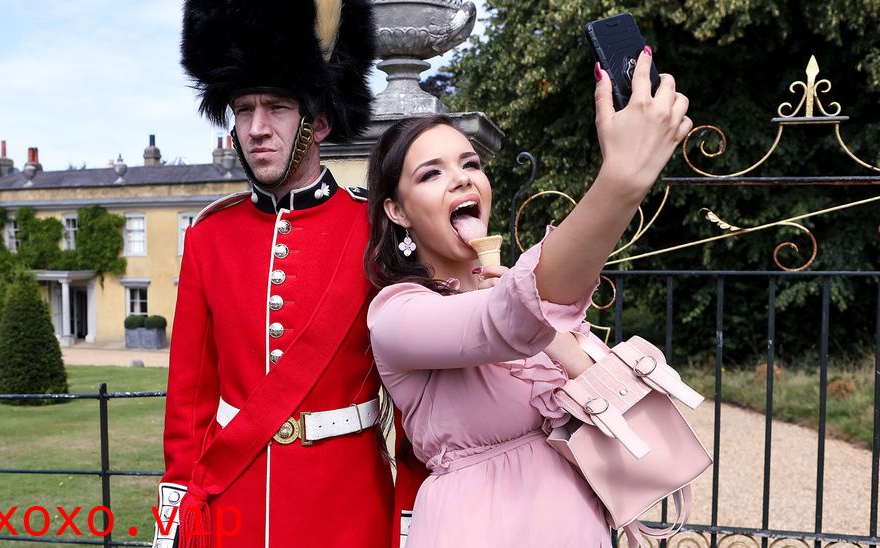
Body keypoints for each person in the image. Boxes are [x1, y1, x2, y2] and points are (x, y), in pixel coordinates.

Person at [364, 48, 692, 547]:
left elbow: (615, 403)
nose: (461, 178)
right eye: (430, 174)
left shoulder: (522, 291)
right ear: (398, 211)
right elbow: (500, 323)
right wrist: (621, 180)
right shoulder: (398, 314)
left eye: (469, 163)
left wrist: (554, 337)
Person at [154, 2, 426, 547]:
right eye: (244, 108)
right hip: (235, 500)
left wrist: (410, 516)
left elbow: (412, 398)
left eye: (276, 107)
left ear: (318, 120)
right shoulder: (209, 236)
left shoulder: (375, 228)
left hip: (348, 506)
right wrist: (175, 519)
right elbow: (189, 403)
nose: (256, 128)